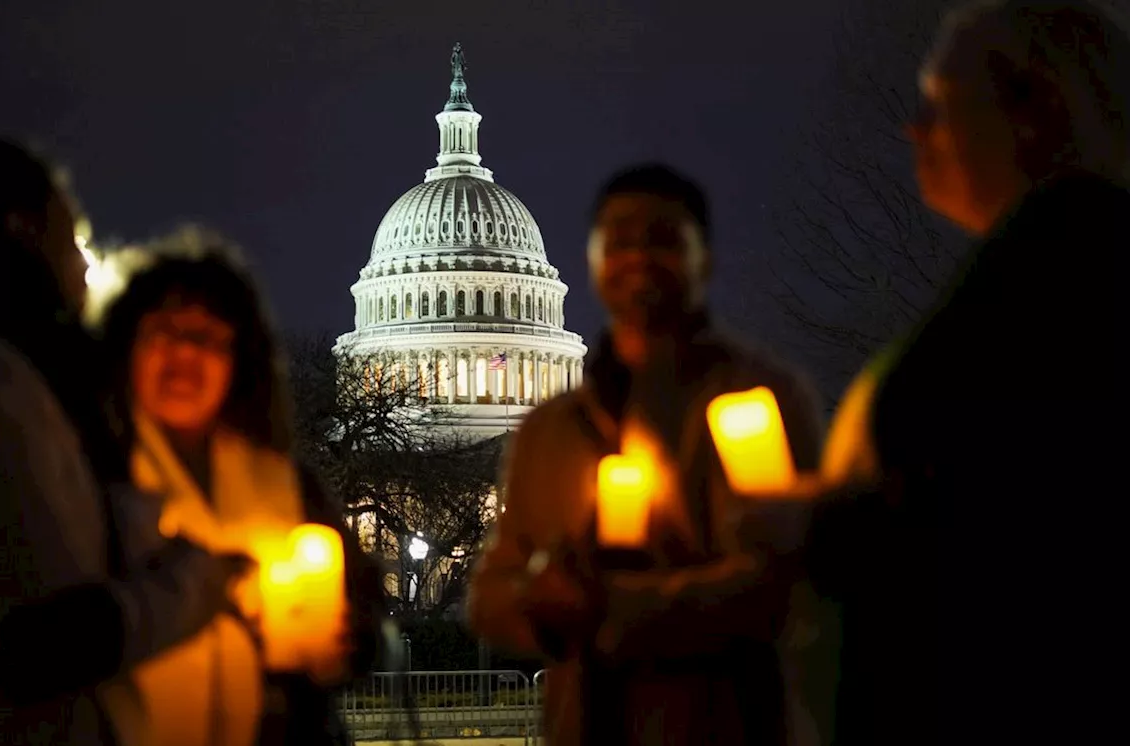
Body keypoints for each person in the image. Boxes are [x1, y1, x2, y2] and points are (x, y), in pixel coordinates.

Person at [800, 1, 1130, 743]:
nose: (916, 130)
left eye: (943, 102)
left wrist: (806, 528)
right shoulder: (1041, 264)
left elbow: (990, 522)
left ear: (1036, 108)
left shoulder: (1065, 275)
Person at [0, 137, 250, 745]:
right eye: (75, 238)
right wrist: (201, 578)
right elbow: (46, 640)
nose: (86, 265)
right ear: (23, 233)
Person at [468, 164, 825, 746]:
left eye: (662, 238)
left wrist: (615, 606)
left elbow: (793, 583)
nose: (638, 256)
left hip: (735, 721)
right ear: (593, 264)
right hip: (592, 723)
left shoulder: (764, 402)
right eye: (619, 240)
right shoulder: (548, 431)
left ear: (703, 259)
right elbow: (491, 598)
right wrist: (539, 594)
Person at [98, 234, 389, 746]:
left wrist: (346, 641)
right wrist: (205, 585)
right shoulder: (91, 475)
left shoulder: (288, 483)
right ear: (126, 347)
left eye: (207, 338)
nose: (186, 356)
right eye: (165, 333)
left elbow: (363, 621)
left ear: (240, 359)